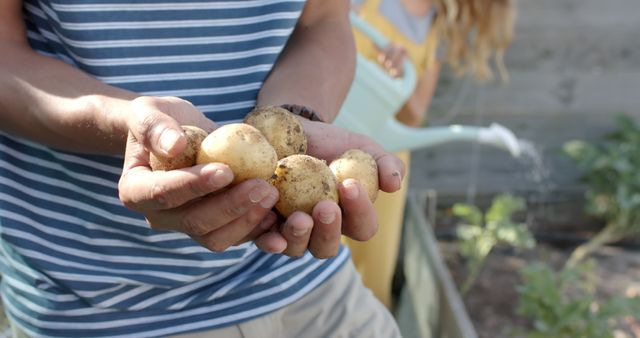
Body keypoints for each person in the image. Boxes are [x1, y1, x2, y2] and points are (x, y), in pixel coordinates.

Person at [0, 0, 407, 337]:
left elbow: (323, 20)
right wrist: (127, 122)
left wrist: (294, 118)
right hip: (101, 304)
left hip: (302, 281)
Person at [345, 0, 515, 309]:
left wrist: (396, 80)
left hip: (384, 165)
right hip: (331, 141)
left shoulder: (436, 29)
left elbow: (414, 115)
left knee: (369, 273)